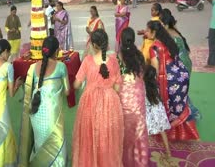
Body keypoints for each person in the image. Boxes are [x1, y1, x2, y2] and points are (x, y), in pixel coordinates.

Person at [72, 29, 123, 167]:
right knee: (107, 136)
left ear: (93, 45)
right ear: (107, 44)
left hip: (90, 102)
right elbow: (118, 87)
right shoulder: (113, 61)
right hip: (109, 102)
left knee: (90, 136)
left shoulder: (88, 61)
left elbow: (76, 84)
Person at [18, 36, 69, 166]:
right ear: (57, 51)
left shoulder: (32, 68)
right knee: (56, 147)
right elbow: (67, 91)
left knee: (40, 145)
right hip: (52, 115)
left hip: (36, 114)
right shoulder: (61, 67)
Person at [146, 21, 199, 141]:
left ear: (154, 32)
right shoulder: (168, 41)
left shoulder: (154, 47)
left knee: (167, 106)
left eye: (147, 30)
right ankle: (184, 133)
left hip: (169, 81)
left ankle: (171, 133)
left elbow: (155, 69)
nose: (145, 32)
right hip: (181, 77)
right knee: (179, 106)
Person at [160, 9, 201, 120]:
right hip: (186, 62)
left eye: (161, 23)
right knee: (183, 89)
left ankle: (189, 113)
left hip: (182, 64)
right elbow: (186, 51)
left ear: (165, 24)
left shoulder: (169, 35)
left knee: (179, 90)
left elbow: (169, 53)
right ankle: (187, 111)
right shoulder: (175, 30)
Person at [117, 27, 148, 167]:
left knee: (125, 133)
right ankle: (140, 161)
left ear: (121, 40)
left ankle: (125, 162)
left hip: (123, 99)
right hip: (138, 98)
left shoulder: (118, 57)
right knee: (139, 131)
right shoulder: (140, 56)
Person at [144, 65, 171, 158]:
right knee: (162, 131)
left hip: (148, 114)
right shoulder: (156, 86)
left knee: (144, 133)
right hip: (159, 113)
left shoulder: (142, 86)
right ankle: (168, 152)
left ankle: (142, 153)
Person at [202, 0, 215, 67]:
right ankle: (211, 62)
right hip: (213, 27)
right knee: (212, 45)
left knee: (212, 44)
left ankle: (211, 63)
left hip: (213, 27)